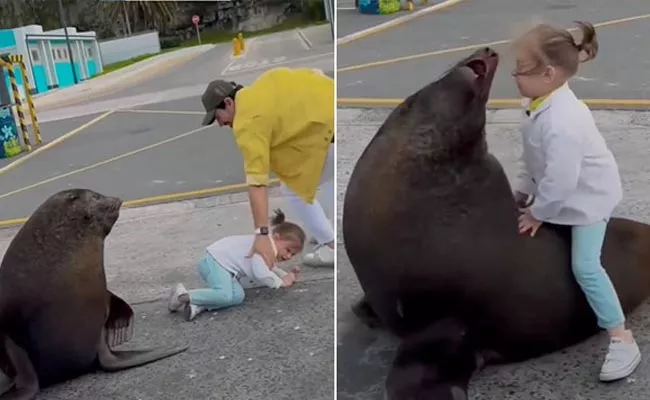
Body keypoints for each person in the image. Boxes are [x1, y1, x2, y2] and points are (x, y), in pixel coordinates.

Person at [511, 20, 641, 382]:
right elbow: (533, 160)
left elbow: (561, 182)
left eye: (520, 69)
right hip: (559, 192)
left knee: (585, 266)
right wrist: (520, 191)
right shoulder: (535, 102)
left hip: (586, 201)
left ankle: (621, 337)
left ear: (548, 73)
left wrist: (537, 212)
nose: (514, 76)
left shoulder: (564, 122)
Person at [199, 67, 335, 269]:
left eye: (217, 117)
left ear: (228, 102)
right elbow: (315, 73)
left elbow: (257, 183)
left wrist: (262, 234)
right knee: (321, 179)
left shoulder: (247, 123)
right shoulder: (269, 80)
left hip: (324, 137)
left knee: (293, 189)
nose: (220, 124)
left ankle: (330, 245)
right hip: (333, 115)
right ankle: (324, 228)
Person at [168, 209, 304, 321]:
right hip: (214, 261)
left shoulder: (268, 248)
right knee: (225, 295)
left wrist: (285, 275)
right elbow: (261, 273)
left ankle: (196, 304)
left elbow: (270, 268)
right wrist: (280, 283)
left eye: (292, 255)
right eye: (288, 250)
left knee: (238, 296)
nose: (288, 256)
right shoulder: (263, 246)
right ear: (276, 237)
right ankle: (182, 295)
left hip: (223, 266)